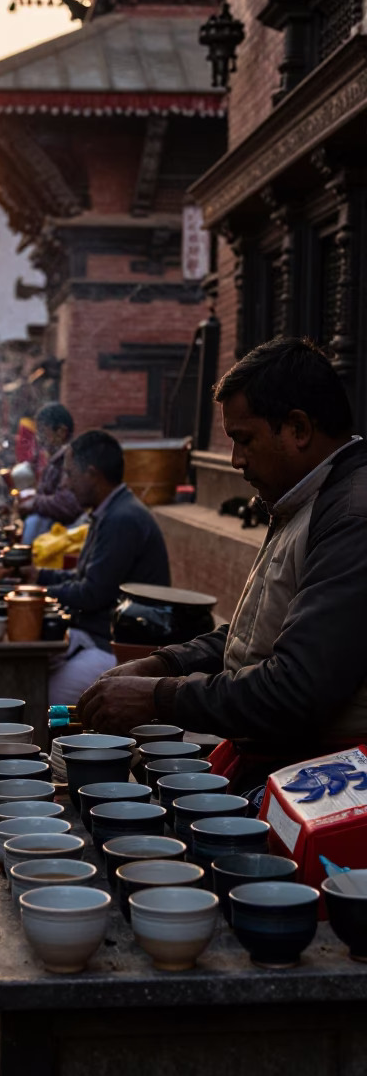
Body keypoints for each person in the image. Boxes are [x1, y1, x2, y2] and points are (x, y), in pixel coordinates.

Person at [78, 337, 367, 792]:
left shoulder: (350, 515)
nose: (235, 460)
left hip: (327, 778)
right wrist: (163, 665)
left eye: (244, 440)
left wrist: (160, 697)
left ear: (298, 429)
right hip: (279, 756)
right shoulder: (303, 498)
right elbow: (248, 635)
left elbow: (296, 688)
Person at [32, 429, 170, 705]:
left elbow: (91, 593)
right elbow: (85, 577)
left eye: (70, 474)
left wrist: (37, 593)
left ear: (92, 474)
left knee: (45, 695)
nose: (65, 484)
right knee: (29, 663)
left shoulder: (122, 519)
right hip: (95, 633)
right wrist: (38, 577)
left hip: (117, 647)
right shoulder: (107, 512)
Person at [21, 402, 82, 544]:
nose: (38, 439)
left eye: (43, 432)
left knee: (35, 521)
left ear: (61, 432)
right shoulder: (53, 462)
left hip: (64, 535)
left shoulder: (71, 460)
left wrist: (34, 503)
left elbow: (67, 504)